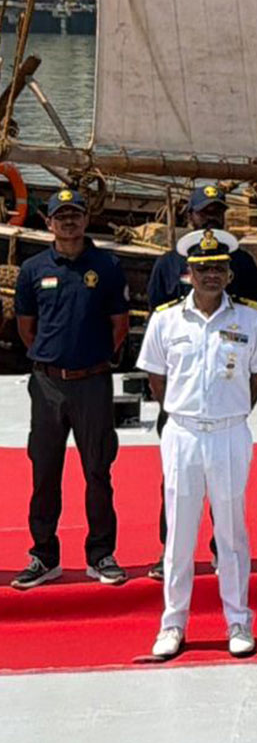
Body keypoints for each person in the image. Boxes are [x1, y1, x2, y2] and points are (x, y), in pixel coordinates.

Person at [139, 229, 257, 660]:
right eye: (203, 269)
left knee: (232, 531)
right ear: (189, 274)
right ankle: (173, 623)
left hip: (229, 432)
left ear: (230, 273)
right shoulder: (166, 319)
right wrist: (184, 411)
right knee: (180, 532)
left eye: (218, 267)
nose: (211, 275)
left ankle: (238, 620)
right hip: (182, 433)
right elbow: (156, 377)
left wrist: (230, 408)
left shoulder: (251, 319)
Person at [10, 188, 131, 590]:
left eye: (74, 214)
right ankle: (43, 555)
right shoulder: (32, 270)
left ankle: (101, 554)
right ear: (48, 223)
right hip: (47, 384)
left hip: (92, 383)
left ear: (84, 219)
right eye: (60, 216)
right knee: (44, 471)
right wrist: (52, 360)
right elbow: (26, 328)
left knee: (98, 470)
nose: (68, 222)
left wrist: (89, 361)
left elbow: (119, 326)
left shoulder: (108, 266)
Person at [145, 182, 257, 581]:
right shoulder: (165, 266)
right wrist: (172, 403)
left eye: (216, 211)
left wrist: (240, 398)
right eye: (203, 211)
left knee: (228, 493)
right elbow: (156, 352)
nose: (210, 217)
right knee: (176, 487)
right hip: (183, 406)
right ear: (189, 214)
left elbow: (256, 350)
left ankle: (219, 550)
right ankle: (170, 550)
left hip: (228, 397)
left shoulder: (242, 265)